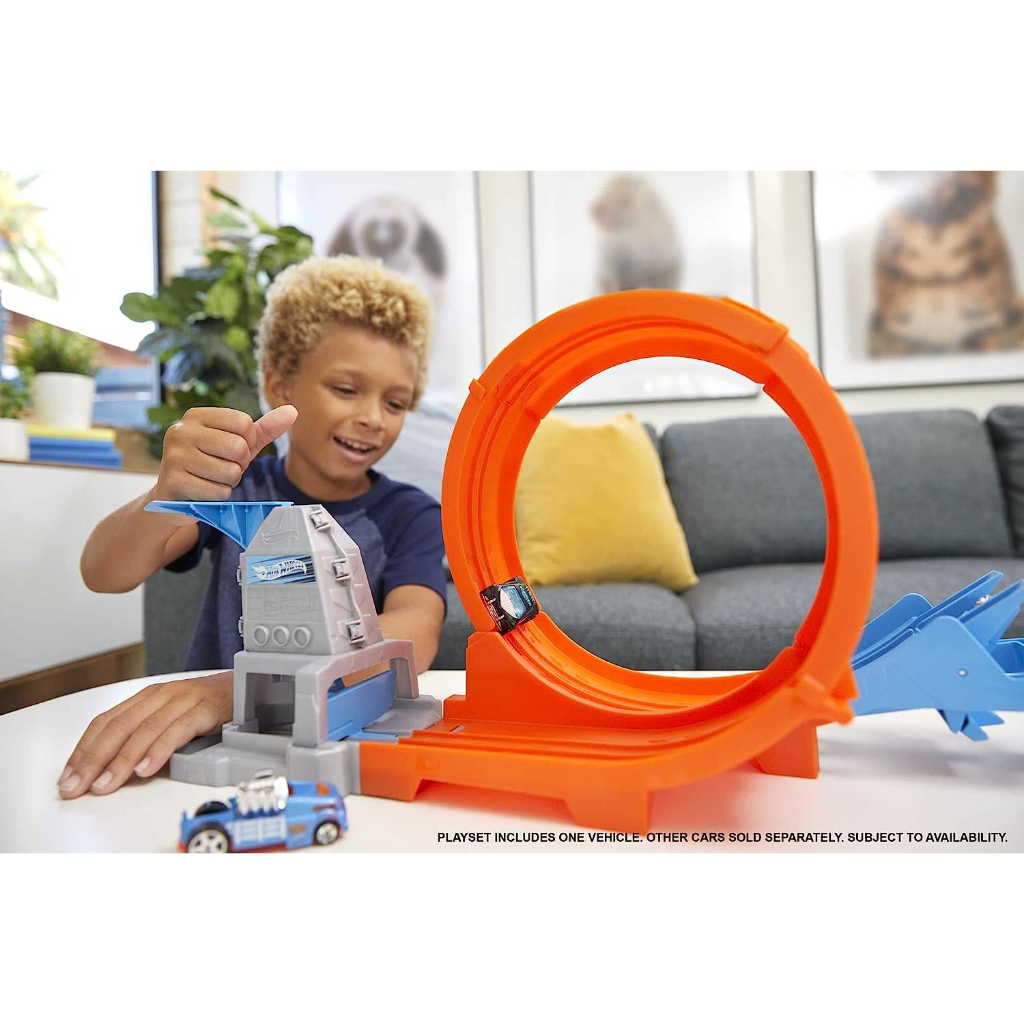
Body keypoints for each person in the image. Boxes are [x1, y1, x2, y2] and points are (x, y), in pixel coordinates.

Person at [58, 255, 447, 799]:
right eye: (346, 389)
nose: (373, 418)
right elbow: (103, 572)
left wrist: (237, 691)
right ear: (280, 386)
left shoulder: (412, 514)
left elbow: (415, 634)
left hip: (334, 748)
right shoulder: (236, 492)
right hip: (216, 750)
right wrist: (166, 493)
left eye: (396, 402)